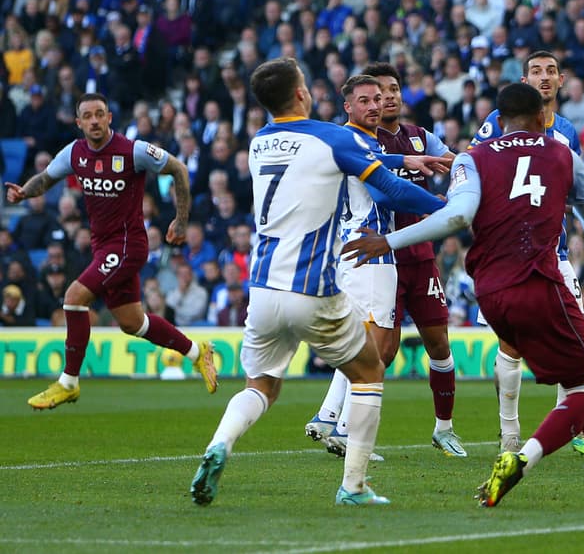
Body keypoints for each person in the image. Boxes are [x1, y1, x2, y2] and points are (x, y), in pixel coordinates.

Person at [342, 82, 584, 506]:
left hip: (491, 293)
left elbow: (457, 215)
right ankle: (521, 457)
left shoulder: (471, 157)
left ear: (497, 122)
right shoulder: (563, 154)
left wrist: (389, 241)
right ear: (542, 117)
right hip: (539, 283)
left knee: (581, 381)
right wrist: (580, 201)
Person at [188, 58, 444, 507]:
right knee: (368, 372)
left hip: (263, 290)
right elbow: (395, 189)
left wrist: (404, 156)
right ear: (303, 94)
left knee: (260, 386)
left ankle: (218, 445)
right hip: (313, 287)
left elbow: (348, 156)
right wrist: (448, 206)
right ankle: (354, 486)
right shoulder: (334, 138)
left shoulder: (259, 142)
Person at [8, 93, 217, 410]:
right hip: (102, 247)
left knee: (74, 297)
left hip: (128, 245)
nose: (94, 120)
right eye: (87, 116)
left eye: (99, 114)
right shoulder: (74, 153)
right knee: (133, 323)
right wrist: (25, 192)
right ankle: (196, 352)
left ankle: (68, 382)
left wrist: (181, 219)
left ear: (109, 118)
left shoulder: (132, 151)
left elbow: (179, 169)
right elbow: (46, 178)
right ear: (79, 123)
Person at [304, 73, 459, 460]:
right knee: (377, 348)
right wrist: (445, 209)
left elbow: (379, 162)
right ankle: (345, 433)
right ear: (349, 105)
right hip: (373, 249)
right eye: (369, 99)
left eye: (384, 95)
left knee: (372, 342)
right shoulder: (356, 139)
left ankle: (330, 419)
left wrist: (404, 158)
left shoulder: (371, 140)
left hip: (369, 251)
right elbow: (384, 188)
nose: (378, 103)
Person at [469, 50, 584, 455]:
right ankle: (510, 435)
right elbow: (474, 170)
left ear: (561, 81)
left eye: (551, 72)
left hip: (554, 253)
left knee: (577, 337)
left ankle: (572, 423)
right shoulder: (496, 124)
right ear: (525, 81)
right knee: (513, 345)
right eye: (536, 72)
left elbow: (571, 189)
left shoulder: (567, 133)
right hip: (508, 255)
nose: (544, 78)